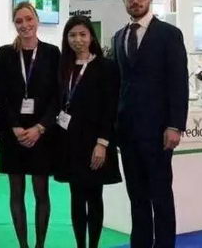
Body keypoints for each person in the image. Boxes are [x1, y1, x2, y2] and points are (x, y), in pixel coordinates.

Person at [113, 0, 189, 248]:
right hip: (127, 133)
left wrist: (175, 125)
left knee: (161, 196)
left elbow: (178, 82)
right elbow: (119, 84)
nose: (135, 1)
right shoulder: (118, 36)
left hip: (159, 133)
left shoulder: (169, 34)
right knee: (137, 197)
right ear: (124, 0)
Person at [0, 2, 60, 248]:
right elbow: (0, 94)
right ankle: (23, 245)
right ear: (14, 24)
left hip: (42, 134)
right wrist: (14, 126)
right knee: (16, 192)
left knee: (41, 191)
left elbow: (57, 96)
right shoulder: (5, 53)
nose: (25, 25)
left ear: (37, 20)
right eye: (19, 21)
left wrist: (40, 127)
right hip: (13, 133)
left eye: (29, 19)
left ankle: (39, 245)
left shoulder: (52, 53)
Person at [55, 15, 121, 248]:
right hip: (70, 143)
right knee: (76, 198)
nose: (78, 40)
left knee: (94, 197)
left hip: (96, 143)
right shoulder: (63, 66)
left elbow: (110, 108)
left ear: (91, 37)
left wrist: (102, 143)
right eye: (72, 35)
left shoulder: (107, 67)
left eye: (82, 34)